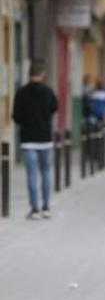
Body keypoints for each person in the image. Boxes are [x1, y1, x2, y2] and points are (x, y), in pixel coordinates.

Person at [13, 61, 58, 220]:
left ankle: (34, 209)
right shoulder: (48, 92)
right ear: (43, 74)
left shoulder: (21, 93)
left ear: (29, 73)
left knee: (32, 174)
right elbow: (54, 109)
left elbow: (16, 117)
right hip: (45, 138)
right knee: (45, 172)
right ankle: (46, 207)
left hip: (28, 140)